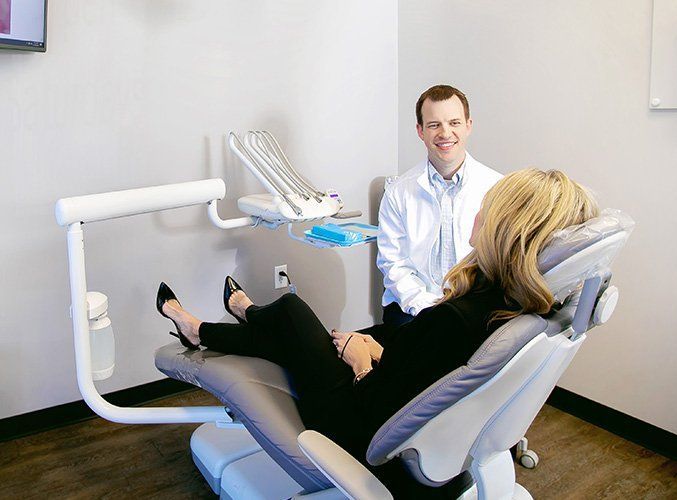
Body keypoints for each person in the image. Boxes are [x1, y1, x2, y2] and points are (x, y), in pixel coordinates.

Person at [157, 168, 598, 497]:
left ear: (506, 227)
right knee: (295, 331)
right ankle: (213, 325)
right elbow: (435, 382)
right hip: (421, 434)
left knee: (291, 311)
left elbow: (380, 412)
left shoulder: (456, 319)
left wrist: (362, 361)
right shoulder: (520, 311)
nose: (480, 210)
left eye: (491, 206)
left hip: (359, 431)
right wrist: (381, 352)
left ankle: (221, 323)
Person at [378, 85, 503, 327]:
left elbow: (500, 262)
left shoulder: (497, 188)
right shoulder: (398, 192)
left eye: (454, 123)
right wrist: (427, 308)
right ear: (420, 131)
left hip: (473, 307)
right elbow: (393, 264)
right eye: (434, 125)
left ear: (468, 125)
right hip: (411, 308)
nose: (445, 133)